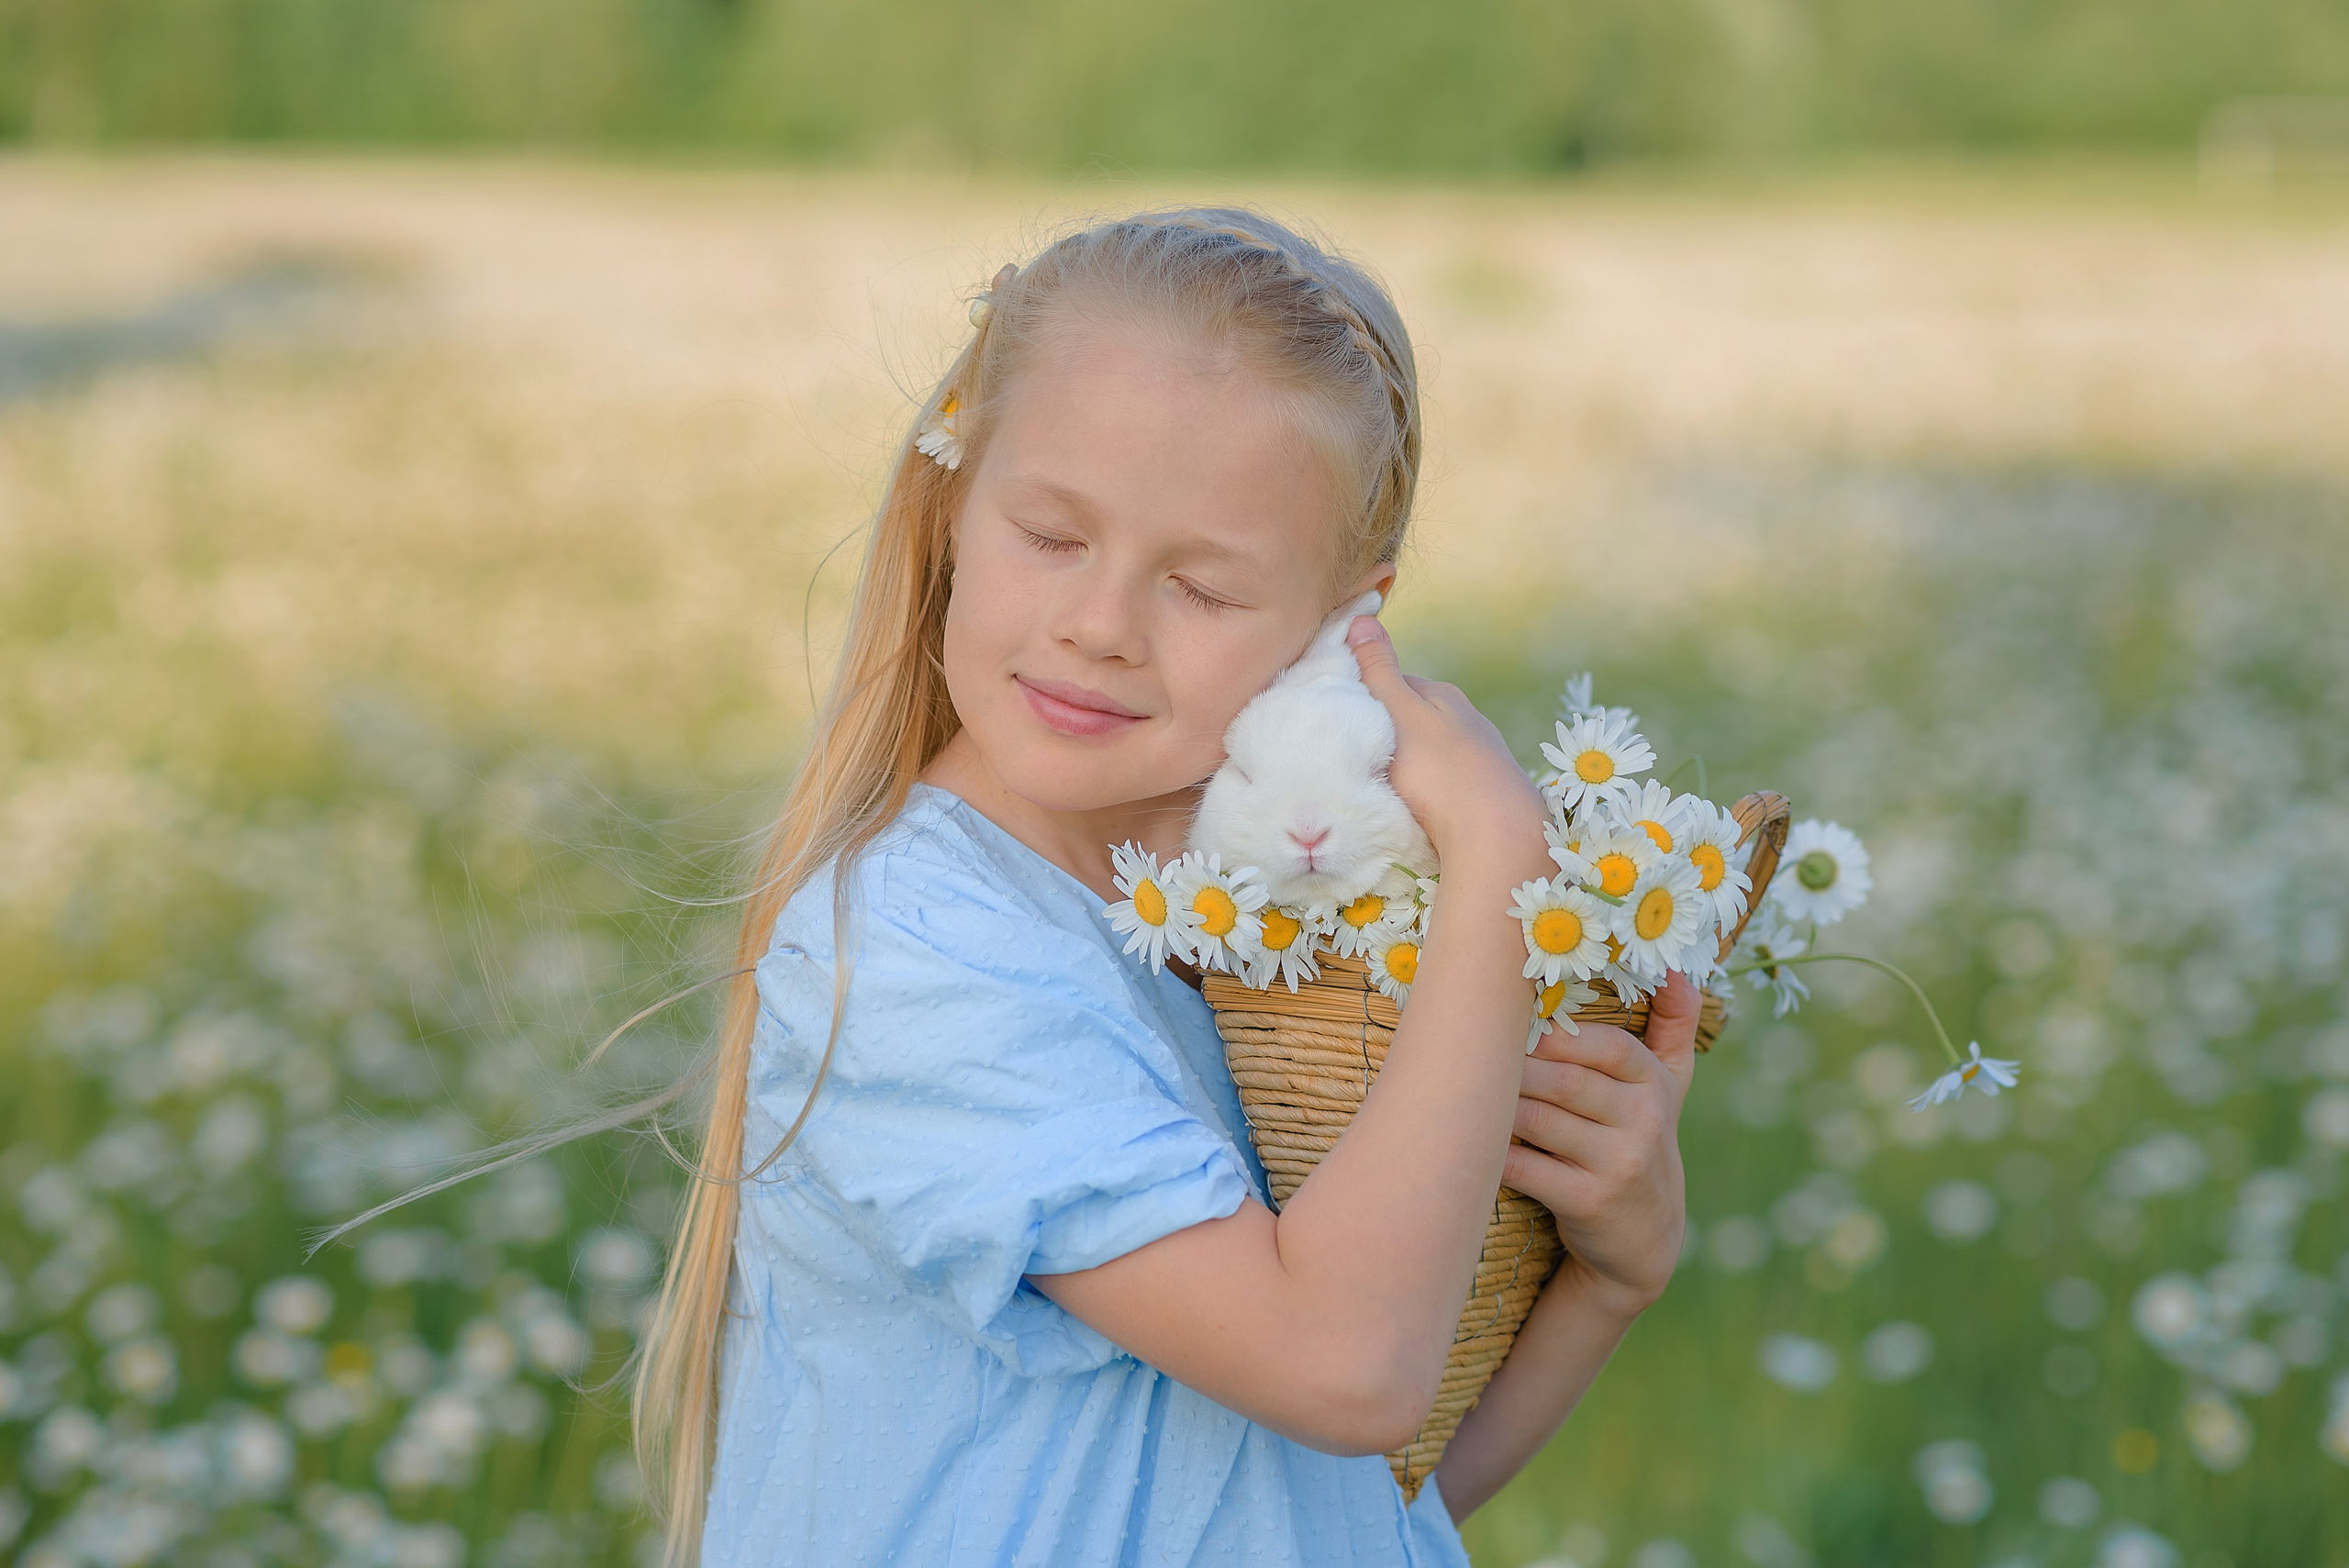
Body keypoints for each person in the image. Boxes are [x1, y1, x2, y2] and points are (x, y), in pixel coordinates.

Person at [641, 208, 1702, 1566]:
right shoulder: (915, 948)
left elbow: (1343, 1491)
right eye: (1052, 532)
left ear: (1346, 622)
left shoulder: (1294, 948)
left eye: (1199, 585)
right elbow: (1342, 1367)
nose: (1102, 623)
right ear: (950, 503)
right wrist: (1502, 867)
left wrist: (1605, 1281)